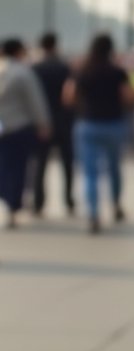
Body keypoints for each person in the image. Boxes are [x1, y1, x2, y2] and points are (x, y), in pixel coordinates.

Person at [66, 34, 133, 234]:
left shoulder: (82, 71)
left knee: (90, 173)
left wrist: (83, 105)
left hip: (88, 123)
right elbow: (129, 96)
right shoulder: (118, 72)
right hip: (113, 123)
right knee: (114, 168)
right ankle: (115, 204)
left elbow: (68, 96)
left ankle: (93, 213)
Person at [0, 38, 51, 228]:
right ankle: (13, 204)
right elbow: (35, 101)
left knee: (4, 165)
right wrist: (43, 123)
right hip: (19, 126)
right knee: (19, 167)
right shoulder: (23, 73)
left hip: (2, 126)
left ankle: (7, 197)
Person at [30, 32, 75, 217]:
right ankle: (69, 200)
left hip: (42, 121)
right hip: (63, 119)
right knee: (67, 163)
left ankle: (38, 202)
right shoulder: (65, 67)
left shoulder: (35, 68)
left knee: (40, 164)